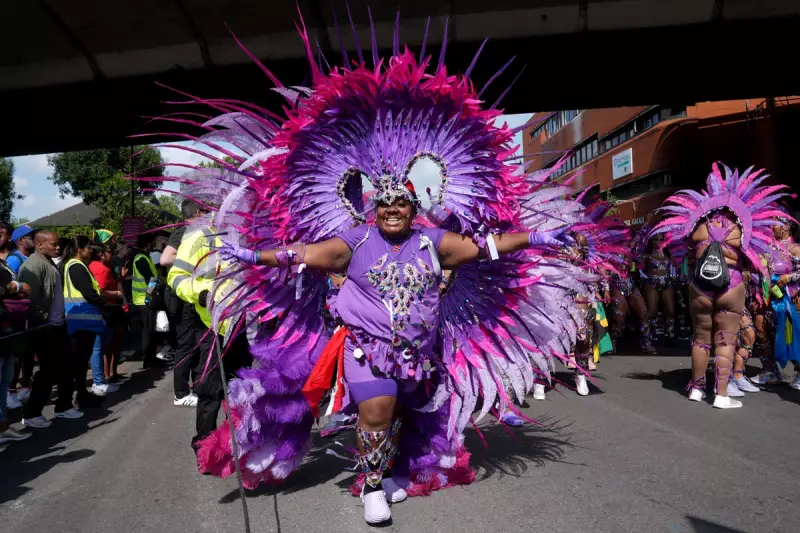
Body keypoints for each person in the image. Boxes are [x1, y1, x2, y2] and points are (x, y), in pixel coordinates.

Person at [153, 12, 593, 526]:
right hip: (366, 348)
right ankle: (373, 485)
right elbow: (301, 254)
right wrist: (253, 257)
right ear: (371, 208)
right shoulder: (352, 241)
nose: (391, 211)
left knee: (406, 413)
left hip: (419, 351)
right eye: (383, 206)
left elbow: (489, 246)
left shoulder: (435, 242)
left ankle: (393, 471)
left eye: (400, 205)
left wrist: (540, 237)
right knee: (376, 412)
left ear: (412, 206)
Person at [654, 163, 789, 409]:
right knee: (726, 340)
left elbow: (684, 255)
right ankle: (721, 394)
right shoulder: (740, 227)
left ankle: (696, 389)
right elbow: (754, 260)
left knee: (700, 338)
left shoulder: (697, 227)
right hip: (731, 287)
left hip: (700, 287)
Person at [167, 207, 251, 448]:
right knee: (210, 391)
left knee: (241, 389)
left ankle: (239, 443)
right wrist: (200, 292)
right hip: (209, 324)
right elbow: (176, 275)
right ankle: (206, 447)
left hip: (240, 323)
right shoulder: (199, 236)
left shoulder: (242, 234)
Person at [19, 231, 82, 427]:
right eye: (53, 244)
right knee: (47, 371)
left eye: (58, 245)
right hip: (44, 328)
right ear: (39, 245)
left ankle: (63, 406)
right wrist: (42, 324)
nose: (58, 248)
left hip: (57, 324)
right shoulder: (33, 266)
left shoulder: (48, 263)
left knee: (65, 367)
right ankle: (31, 414)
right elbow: (31, 301)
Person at [161, 200, 203, 408]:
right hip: (181, 297)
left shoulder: (192, 232)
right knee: (185, 344)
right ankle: (181, 393)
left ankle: (195, 388)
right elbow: (165, 259)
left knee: (193, 343)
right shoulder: (184, 231)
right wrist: (194, 259)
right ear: (196, 212)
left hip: (188, 296)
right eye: (204, 211)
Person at [60, 235, 109, 411]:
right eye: (88, 248)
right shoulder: (76, 266)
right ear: (79, 250)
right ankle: (79, 396)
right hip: (81, 321)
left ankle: (82, 393)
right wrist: (104, 304)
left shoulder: (75, 265)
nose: (91, 251)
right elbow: (88, 293)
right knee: (79, 362)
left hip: (80, 320)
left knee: (81, 361)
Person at [0, 250, 33, 445]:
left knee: (4, 380)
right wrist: (16, 286)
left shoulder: (3, 263)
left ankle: (3, 427)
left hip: (5, 330)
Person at [89, 243, 128, 392]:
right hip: (107, 311)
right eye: (109, 252)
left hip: (108, 310)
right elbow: (101, 291)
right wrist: (118, 294)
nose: (112, 255)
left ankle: (109, 375)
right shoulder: (101, 269)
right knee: (104, 347)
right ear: (101, 255)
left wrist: (119, 278)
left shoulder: (99, 267)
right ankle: (103, 378)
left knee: (108, 345)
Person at [129, 234, 159, 369]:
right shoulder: (141, 258)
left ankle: (151, 358)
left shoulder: (143, 257)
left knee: (151, 331)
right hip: (144, 301)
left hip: (144, 300)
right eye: (150, 243)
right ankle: (148, 359)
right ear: (147, 244)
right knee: (148, 332)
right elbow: (150, 280)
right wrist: (150, 298)